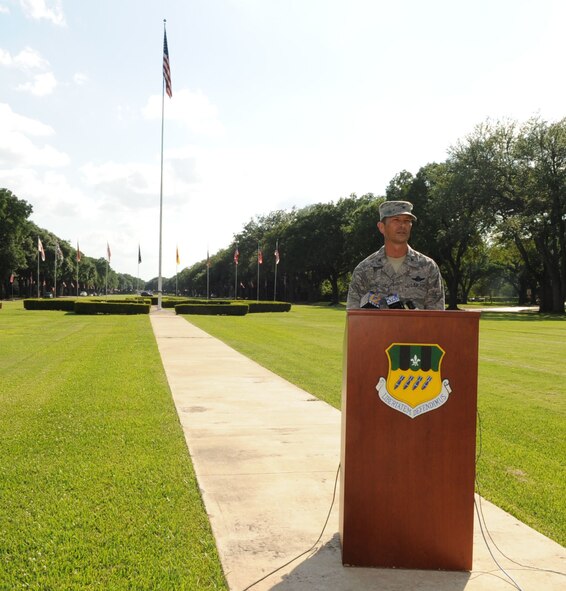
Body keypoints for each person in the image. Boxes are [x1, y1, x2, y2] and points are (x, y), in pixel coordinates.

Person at [346, 200, 445, 310]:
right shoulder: (364, 270)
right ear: (381, 227)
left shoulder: (428, 267)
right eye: (396, 220)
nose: (402, 225)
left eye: (407, 221)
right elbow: (354, 318)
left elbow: (437, 317)